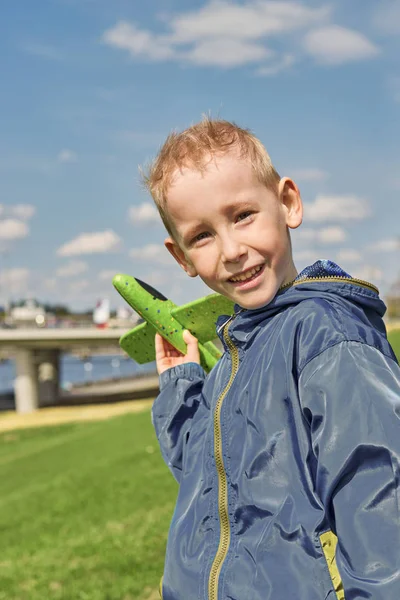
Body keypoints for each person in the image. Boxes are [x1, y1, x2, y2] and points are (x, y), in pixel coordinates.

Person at [143, 117, 400, 600]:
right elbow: (208, 477)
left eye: (242, 215)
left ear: (287, 203)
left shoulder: (324, 333)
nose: (232, 250)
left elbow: (380, 498)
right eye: (201, 236)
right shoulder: (233, 357)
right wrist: (181, 381)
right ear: (181, 258)